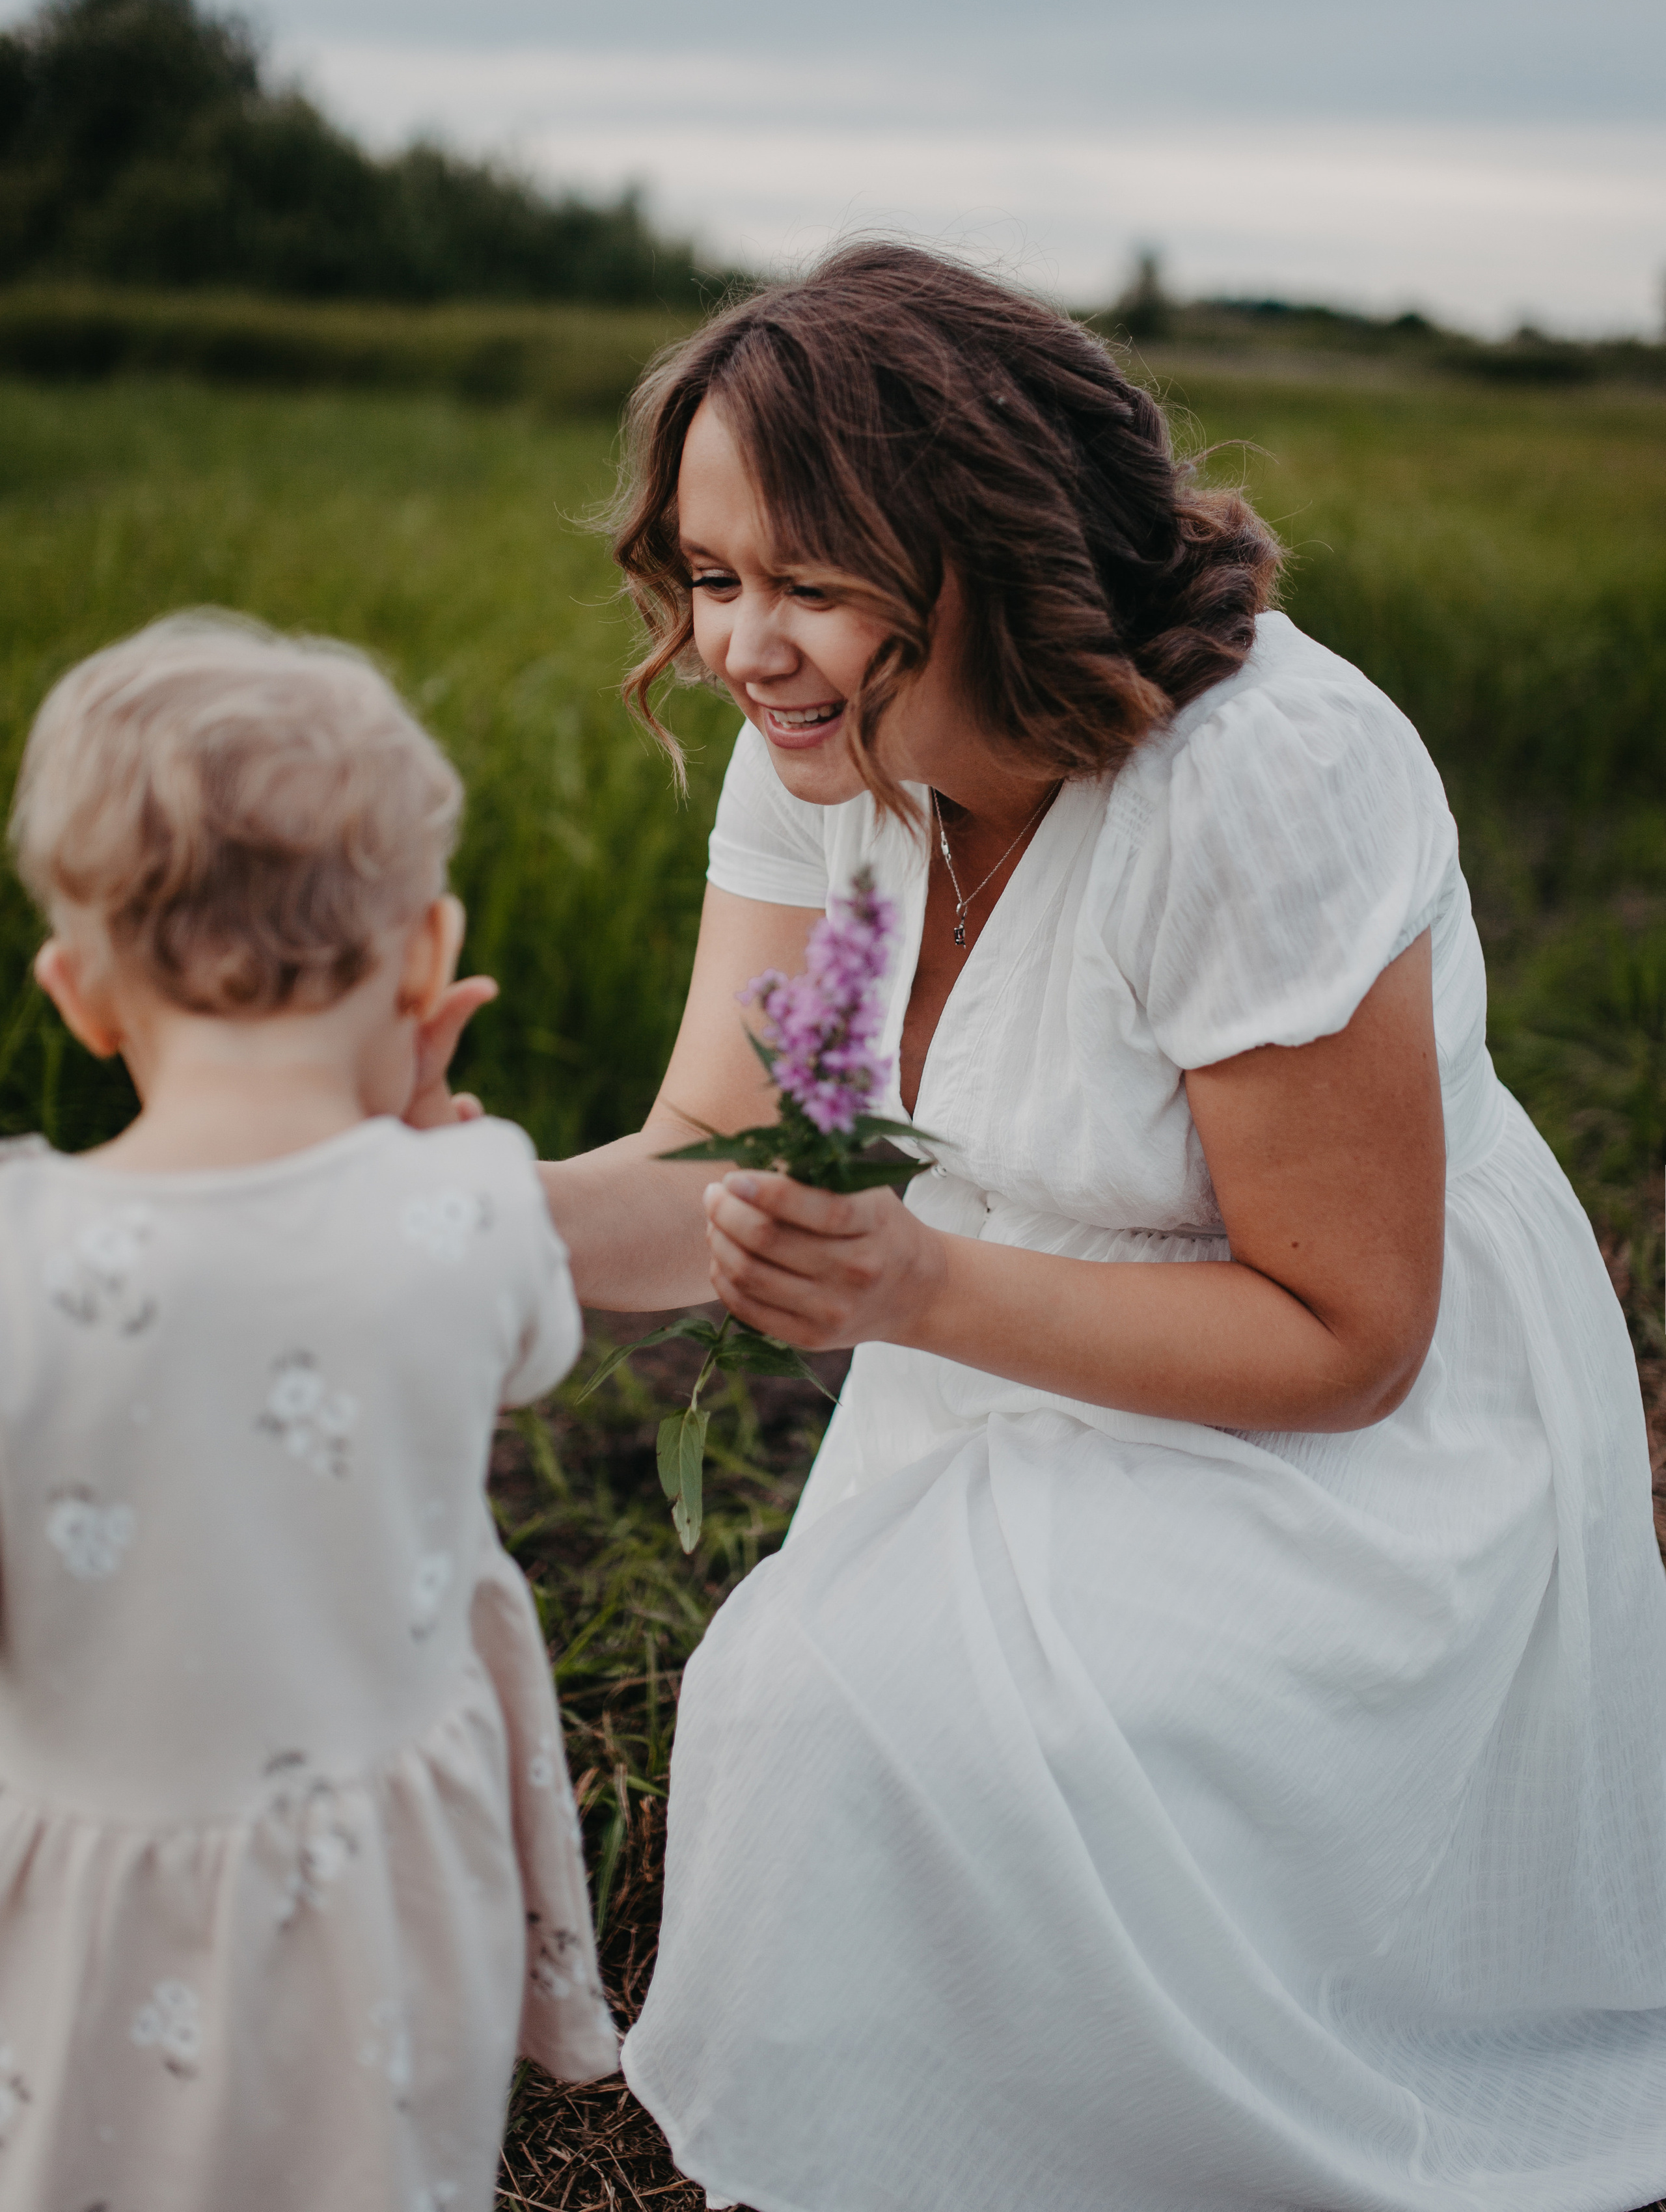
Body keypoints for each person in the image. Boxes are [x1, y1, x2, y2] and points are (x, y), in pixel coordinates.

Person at [510, 242, 1666, 2212]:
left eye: (808, 581)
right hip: (992, 1372)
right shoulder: (813, 752)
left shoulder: (1254, 780)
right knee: (800, 1698)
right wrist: (396, 1223)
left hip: (1336, 1434)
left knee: (960, 1729)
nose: (738, 646)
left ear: (996, 548)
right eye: (710, 578)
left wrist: (918, 1280)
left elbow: (1349, 1336)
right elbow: (713, 1151)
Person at [0, 615, 617, 2212]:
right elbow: (534, 1349)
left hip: (82, 1906)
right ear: (426, 961)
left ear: (78, 995)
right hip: (378, 1905)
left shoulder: (14, 1262)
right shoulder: (471, 1209)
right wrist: (418, 1134)